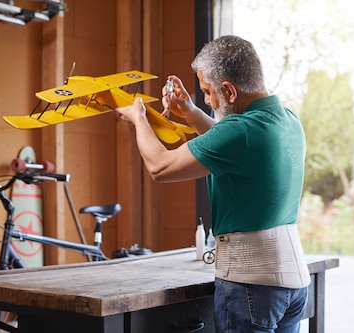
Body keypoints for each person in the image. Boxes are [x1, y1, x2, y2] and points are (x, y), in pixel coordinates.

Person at [115, 35, 311, 333]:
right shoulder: (287, 120)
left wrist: (138, 118)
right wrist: (192, 113)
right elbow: (233, 143)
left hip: (250, 287)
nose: (206, 100)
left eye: (207, 92)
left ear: (230, 90)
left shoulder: (240, 130)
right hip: (292, 286)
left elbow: (160, 167)